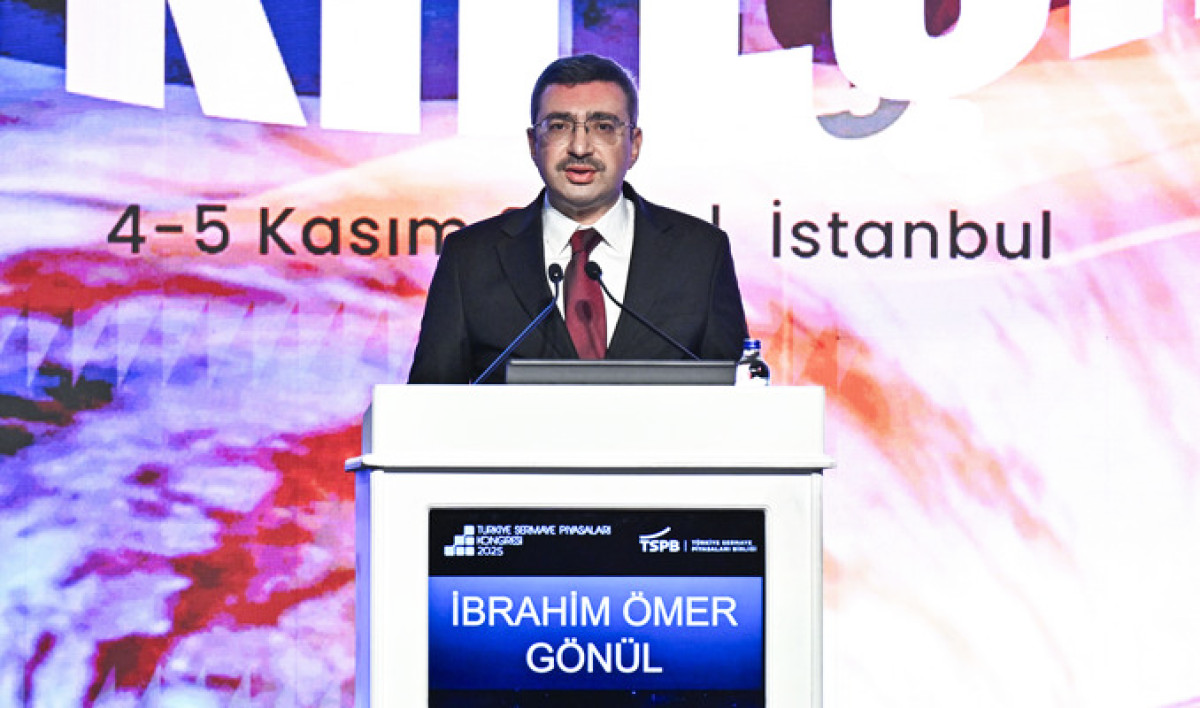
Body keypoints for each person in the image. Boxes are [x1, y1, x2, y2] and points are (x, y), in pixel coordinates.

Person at [408, 54, 749, 383]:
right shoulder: (470, 259)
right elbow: (425, 406)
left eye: (603, 126)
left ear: (634, 144)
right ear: (533, 143)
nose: (580, 148)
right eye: (559, 126)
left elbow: (740, 402)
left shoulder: (701, 254)